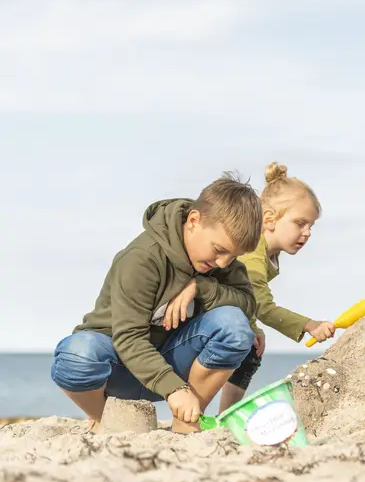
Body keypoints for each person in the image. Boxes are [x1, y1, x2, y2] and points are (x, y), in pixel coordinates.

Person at [50, 172, 262, 433]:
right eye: (219, 250)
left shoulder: (220, 262)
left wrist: (201, 287)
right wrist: (174, 388)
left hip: (176, 361)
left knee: (235, 326)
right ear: (194, 221)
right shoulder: (142, 258)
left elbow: (249, 306)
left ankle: (186, 423)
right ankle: (105, 419)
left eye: (233, 256)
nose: (223, 263)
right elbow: (128, 339)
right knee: (77, 355)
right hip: (120, 364)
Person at [217, 162, 335, 413]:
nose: (307, 233)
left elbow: (244, 297)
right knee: (244, 345)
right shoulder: (252, 251)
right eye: (300, 223)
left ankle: (225, 414)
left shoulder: (269, 253)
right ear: (269, 218)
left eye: (311, 226)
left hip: (226, 309)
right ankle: (209, 412)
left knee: (251, 351)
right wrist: (308, 325)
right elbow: (260, 302)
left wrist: (252, 325)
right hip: (206, 311)